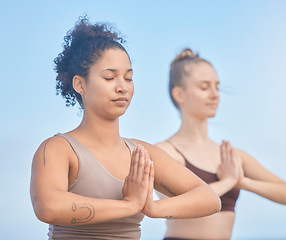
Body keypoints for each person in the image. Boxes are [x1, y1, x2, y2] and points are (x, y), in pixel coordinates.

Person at [29, 18, 221, 240]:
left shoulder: (141, 155)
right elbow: (47, 206)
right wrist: (130, 205)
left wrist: (151, 208)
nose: (122, 87)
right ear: (80, 84)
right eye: (110, 77)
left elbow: (209, 199)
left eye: (128, 78)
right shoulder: (58, 149)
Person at [156, 48, 286, 240]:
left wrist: (243, 182)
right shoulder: (165, 152)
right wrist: (226, 182)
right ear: (179, 94)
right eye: (204, 87)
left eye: (217, 86)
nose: (215, 94)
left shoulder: (232, 157)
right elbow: (174, 208)